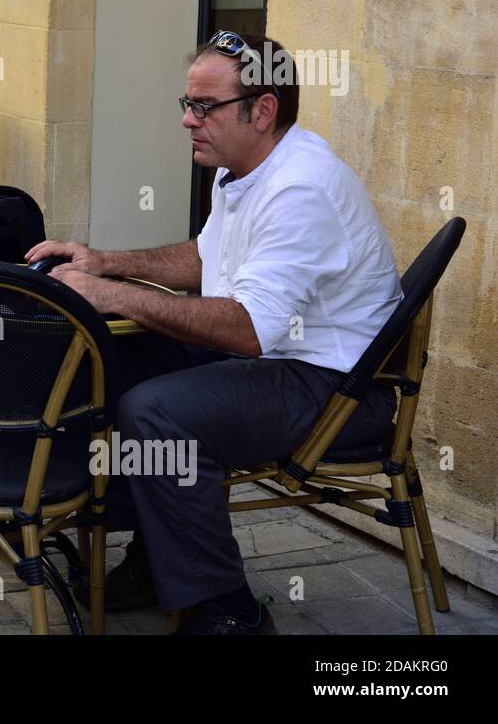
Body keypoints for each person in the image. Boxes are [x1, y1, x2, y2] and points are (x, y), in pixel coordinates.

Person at [25, 31, 402, 635]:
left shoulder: (300, 186)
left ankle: (227, 610)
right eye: (187, 103)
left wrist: (109, 294)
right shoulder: (243, 168)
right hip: (287, 356)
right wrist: (103, 262)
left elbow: (249, 329)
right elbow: (207, 258)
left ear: (264, 109)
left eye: (204, 107)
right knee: (110, 359)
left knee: (156, 413)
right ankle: (152, 552)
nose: (186, 120)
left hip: (340, 386)